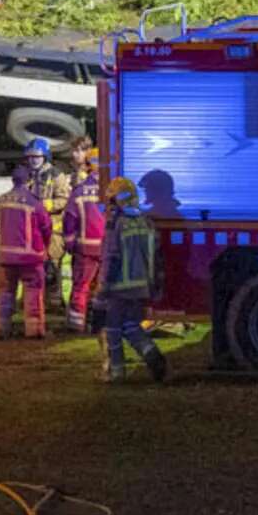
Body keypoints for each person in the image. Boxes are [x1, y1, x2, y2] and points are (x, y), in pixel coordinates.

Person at [93, 177, 167, 383]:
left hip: (119, 287)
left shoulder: (115, 224)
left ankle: (116, 373)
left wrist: (103, 287)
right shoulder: (147, 222)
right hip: (141, 287)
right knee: (131, 325)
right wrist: (155, 286)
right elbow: (157, 257)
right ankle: (152, 354)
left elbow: (111, 257)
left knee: (113, 329)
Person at [0, 164, 52, 339]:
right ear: (30, 181)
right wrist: (45, 248)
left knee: (4, 292)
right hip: (30, 258)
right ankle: (34, 331)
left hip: (4, 257)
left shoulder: (0, 201)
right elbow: (46, 227)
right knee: (33, 293)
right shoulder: (34, 202)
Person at [26, 138, 71, 321]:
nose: (33, 160)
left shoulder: (56, 175)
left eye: (37, 157)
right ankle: (37, 302)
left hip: (53, 230)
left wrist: (47, 205)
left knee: (52, 265)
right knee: (33, 266)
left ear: (45, 156)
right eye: (30, 157)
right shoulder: (27, 176)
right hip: (34, 230)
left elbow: (65, 199)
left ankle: (55, 303)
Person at [61, 149, 105, 333]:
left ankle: (76, 324)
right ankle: (98, 324)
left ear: (88, 165)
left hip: (85, 249)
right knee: (102, 288)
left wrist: (70, 243)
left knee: (81, 286)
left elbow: (69, 219)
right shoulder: (114, 191)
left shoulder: (79, 192)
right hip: (108, 248)